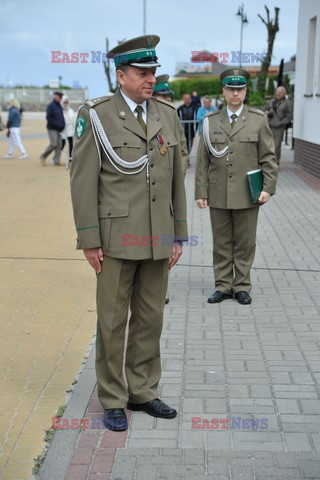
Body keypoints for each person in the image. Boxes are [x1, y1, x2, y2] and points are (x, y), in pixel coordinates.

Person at [70, 35, 188, 432]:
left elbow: (175, 181)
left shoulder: (167, 115)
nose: (150, 79)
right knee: (113, 322)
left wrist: (179, 235)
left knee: (150, 319)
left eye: (153, 72)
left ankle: (143, 391)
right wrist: (89, 239)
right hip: (116, 238)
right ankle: (113, 398)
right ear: (121, 76)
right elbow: (82, 180)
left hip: (157, 236)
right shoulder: (97, 114)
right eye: (141, 73)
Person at [195, 68, 278, 305]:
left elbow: (269, 158)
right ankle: (223, 285)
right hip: (218, 192)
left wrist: (268, 187)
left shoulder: (258, 119)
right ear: (223, 91)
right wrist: (201, 192)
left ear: (244, 91)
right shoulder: (211, 122)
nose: (235, 93)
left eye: (239, 89)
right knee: (221, 242)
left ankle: (241, 286)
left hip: (247, 194)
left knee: (245, 242)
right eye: (231, 89)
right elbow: (202, 161)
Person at [153, 74, 188, 305]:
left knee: (166, 241)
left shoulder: (172, 117)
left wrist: (176, 175)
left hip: (169, 192)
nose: (166, 100)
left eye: (168, 97)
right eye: (162, 96)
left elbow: (182, 151)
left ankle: (162, 287)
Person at [263, 86, 292, 164]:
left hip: (279, 127)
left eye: (280, 93)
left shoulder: (287, 103)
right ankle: (269, 162)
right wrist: (266, 112)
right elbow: (266, 108)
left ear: (284, 94)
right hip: (269, 125)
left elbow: (289, 117)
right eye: (277, 92)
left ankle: (276, 162)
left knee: (277, 146)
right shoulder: (272, 101)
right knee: (269, 145)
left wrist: (281, 122)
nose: (278, 94)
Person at [40, 91, 65, 166]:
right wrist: (56, 125)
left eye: (61, 97)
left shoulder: (60, 106)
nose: (60, 99)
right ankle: (43, 156)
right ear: (56, 97)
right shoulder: (51, 106)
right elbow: (48, 117)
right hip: (52, 128)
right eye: (59, 97)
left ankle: (56, 160)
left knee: (59, 145)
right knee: (53, 144)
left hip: (60, 129)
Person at [61, 95, 76, 169]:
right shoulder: (60, 111)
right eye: (64, 102)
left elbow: (74, 121)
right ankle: (58, 159)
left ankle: (70, 162)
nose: (65, 103)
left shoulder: (71, 111)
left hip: (70, 132)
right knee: (62, 146)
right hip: (63, 132)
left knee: (70, 147)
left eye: (66, 102)